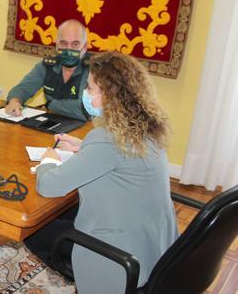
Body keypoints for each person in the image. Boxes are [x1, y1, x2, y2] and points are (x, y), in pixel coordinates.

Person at [25, 51, 178, 294]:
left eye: (90, 88)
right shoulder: (145, 128)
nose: (85, 93)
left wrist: (48, 161)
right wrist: (84, 146)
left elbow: (49, 186)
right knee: (64, 214)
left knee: (33, 229)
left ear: (109, 96)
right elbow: (118, 158)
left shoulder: (108, 139)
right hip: (152, 244)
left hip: (118, 256)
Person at [5, 19, 90, 121]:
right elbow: (21, 89)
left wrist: (51, 104)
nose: (69, 49)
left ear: (84, 47)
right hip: (53, 123)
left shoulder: (94, 70)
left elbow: (88, 111)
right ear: (57, 45)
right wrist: (15, 101)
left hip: (86, 128)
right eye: (64, 43)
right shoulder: (47, 66)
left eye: (75, 44)